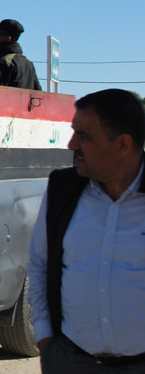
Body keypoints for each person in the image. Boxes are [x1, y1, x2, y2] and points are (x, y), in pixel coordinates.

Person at [27, 89, 145, 372]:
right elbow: (39, 264)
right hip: (72, 360)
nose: (71, 144)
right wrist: (45, 340)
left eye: (84, 136)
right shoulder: (62, 190)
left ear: (123, 145)